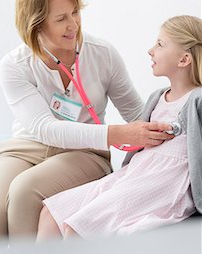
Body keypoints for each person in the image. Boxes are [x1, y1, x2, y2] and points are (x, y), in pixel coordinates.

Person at [0, 0, 173, 243]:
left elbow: (136, 113)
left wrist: (167, 127)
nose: (73, 25)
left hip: (84, 154)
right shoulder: (14, 65)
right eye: (61, 18)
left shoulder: (102, 54)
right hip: (26, 148)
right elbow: (44, 128)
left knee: (25, 191)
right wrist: (118, 134)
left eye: (75, 12)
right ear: (36, 25)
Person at [36, 15, 202, 241]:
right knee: (50, 214)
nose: (151, 51)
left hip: (164, 184)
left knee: (78, 229)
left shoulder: (197, 100)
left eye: (160, 44)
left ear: (184, 59)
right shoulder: (157, 97)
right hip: (135, 174)